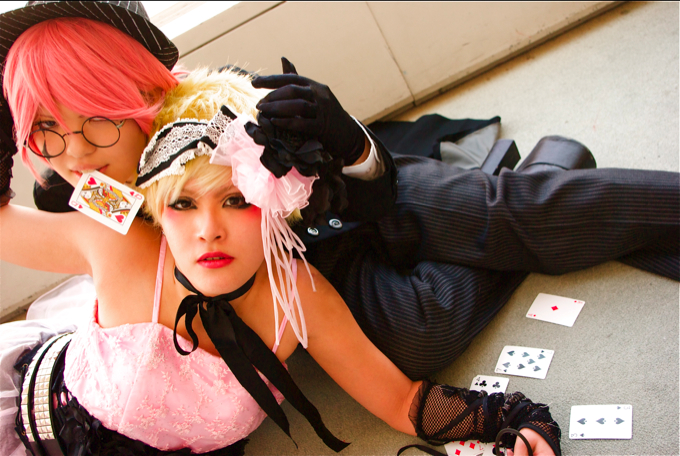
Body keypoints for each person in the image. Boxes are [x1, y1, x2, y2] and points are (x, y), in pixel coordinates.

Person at [1, 1, 678, 383]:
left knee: (508, 215)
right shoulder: (83, 195)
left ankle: (536, 188)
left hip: (370, 199)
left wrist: (351, 145)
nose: (76, 150)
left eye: (96, 118)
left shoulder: (226, 108)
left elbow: (370, 185)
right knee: (418, 342)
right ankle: (552, 162)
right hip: (323, 282)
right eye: (46, 130)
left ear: (140, 92)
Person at [0, 69, 562, 456]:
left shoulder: (299, 296)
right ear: (155, 212)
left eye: (236, 200)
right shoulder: (115, 240)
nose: (209, 229)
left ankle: (527, 185)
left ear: (273, 206)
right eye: (183, 205)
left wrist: (514, 419)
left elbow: (401, 401)